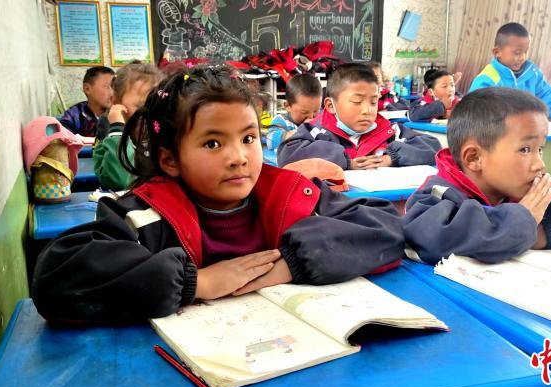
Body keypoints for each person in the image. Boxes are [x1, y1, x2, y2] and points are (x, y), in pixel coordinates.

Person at [31, 65, 404, 322]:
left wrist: (292, 263)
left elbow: (385, 226)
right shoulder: (144, 216)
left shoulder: (290, 195)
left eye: (248, 138)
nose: (238, 157)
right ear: (170, 160)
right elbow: (55, 278)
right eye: (213, 143)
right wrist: (197, 283)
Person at [403, 88, 551, 265]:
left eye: (540, 149)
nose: (540, 164)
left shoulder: (528, 188)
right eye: (525, 150)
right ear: (474, 158)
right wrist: (523, 223)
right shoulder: (436, 196)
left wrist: (539, 230)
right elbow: (428, 236)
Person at [278, 63, 441, 170]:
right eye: (357, 101)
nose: (367, 110)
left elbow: (433, 147)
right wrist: (346, 161)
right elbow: (287, 154)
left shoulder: (389, 131)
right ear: (330, 106)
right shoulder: (317, 132)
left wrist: (391, 158)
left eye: (373, 102)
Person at [469, 22, 551, 122]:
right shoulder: (488, 79)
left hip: (529, 130)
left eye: (525, 51)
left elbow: (549, 96)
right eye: (517, 52)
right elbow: (476, 114)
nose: (522, 57)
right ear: (497, 52)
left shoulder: (533, 74)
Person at [92, 62, 164, 190]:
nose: (150, 112)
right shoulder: (109, 133)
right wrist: (118, 130)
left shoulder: (161, 133)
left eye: (156, 105)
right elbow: (120, 181)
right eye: (140, 106)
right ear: (115, 102)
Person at [266, 74, 322, 151]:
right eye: (304, 112)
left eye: (316, 111)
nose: (311, 117)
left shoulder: (320, 120)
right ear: (288, 106)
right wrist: (301, 132)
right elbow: (270, 141)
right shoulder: (281, 120)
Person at [59, 66, 115, 137]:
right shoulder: (73, 116)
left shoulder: (119, 114)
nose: (112, 93)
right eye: (107, 86)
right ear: (87, 89)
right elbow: (62, 139)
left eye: (114, 87)